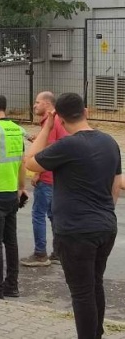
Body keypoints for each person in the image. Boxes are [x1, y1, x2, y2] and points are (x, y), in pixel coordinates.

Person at [26, 93, 120, 339]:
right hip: (105, 226)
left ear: (60, 118)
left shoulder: (68, 145)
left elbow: (30, 161)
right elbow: (117, 183)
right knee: (94, 284)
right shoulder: (109, 141)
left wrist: (47, 126)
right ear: (86, 111)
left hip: (76, 230)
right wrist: (105, 211)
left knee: (81, 293)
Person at [0, 93, 26, 300]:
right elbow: (22, 162)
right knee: (11, 242)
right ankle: (12, 286)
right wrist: (20, 188)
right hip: (11, 193)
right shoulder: (17, 129)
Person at [21, 91, 68, 267]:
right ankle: (58, 252)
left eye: (37, 102)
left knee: (39, 214)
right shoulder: (57, 121)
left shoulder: (50, 123)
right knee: (53, 214)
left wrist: (38, 173)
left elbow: (48, 150)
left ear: (47, 104)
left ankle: (40, 253)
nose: (35, 105)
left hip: (47, 177)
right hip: (56, 177)